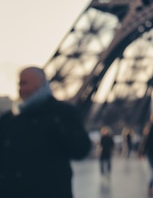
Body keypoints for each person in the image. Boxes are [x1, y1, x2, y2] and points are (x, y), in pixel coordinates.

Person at [0, 66, 92, 198]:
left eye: (24, 83)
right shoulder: (8, 119)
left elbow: (81, 150)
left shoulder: (62, 114)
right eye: (19, 83)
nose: (20, 88)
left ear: (40, 84)